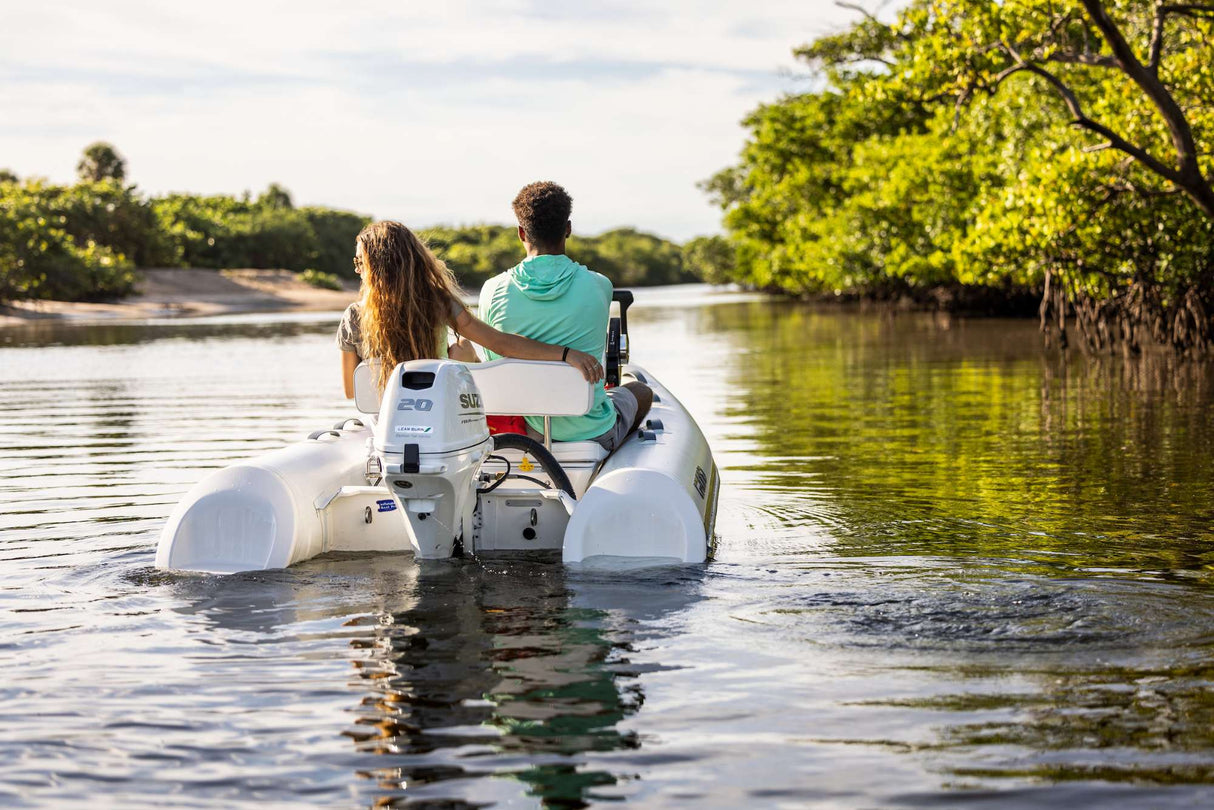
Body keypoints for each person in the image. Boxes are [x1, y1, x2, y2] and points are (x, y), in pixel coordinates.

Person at [337, 220, 602, 397]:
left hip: (382, 432)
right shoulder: (438, 304)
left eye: (360, 262)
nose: (358, 269)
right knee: (464, 351)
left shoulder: (352, 318)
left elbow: (352, 391)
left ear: (375, 269)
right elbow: (501, 343)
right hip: (434, 420)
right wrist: (566, 354)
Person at [479, 181, 652, 450]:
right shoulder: (600, 285)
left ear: (521, 233)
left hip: (527, 436)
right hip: (591, 433)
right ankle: (618, 454)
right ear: (568, 228)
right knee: (641, 391)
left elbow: (492, 358)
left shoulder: (492, 290)